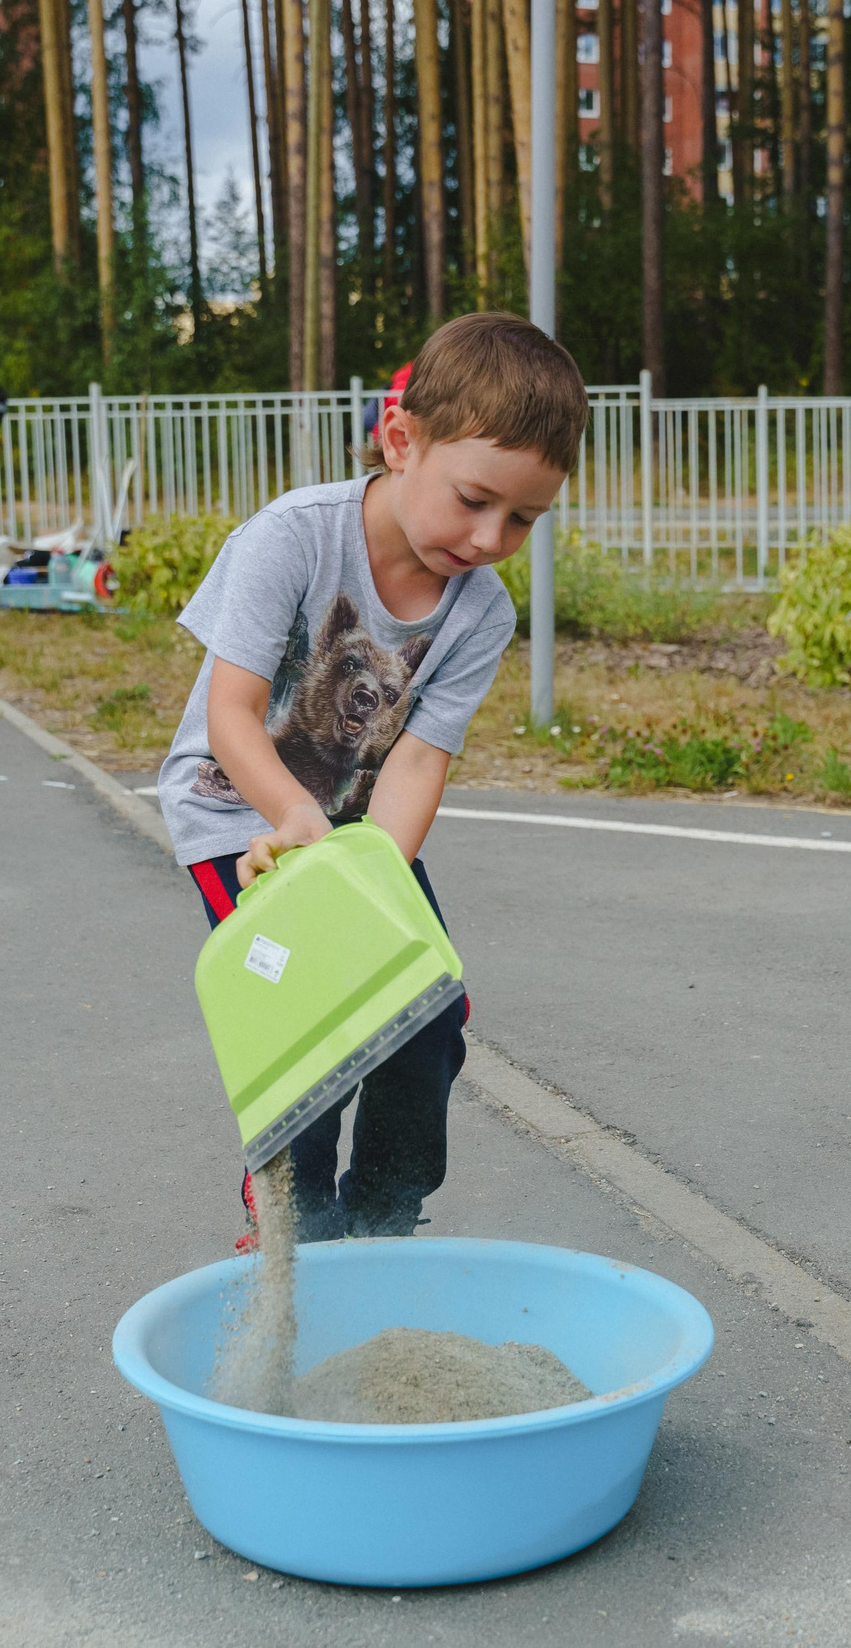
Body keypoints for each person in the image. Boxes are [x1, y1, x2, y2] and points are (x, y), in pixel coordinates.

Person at [159, 311, 585, 1245]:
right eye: (475, 499)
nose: (489, 537)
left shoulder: (481, 612)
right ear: (401, 440)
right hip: (243, 816)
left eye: (523, 518)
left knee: (422, 1007)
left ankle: (384, 1212)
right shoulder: (294, 539)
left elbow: (421, 758)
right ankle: (290, 1216)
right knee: (309, 1011)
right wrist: (293, 818)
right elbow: (230, 716)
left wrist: (362, 888)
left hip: (355, 835)